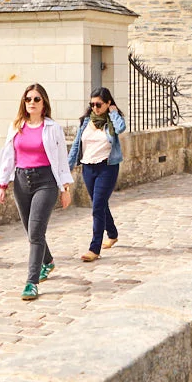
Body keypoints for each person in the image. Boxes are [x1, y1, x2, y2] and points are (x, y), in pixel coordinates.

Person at [0, 83, 73, 300]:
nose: (32, 103)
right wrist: (1, 184)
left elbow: (61, 160)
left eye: (36, 99)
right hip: (21, 181)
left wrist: (65, 188)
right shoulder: (17, 126)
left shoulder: (52, 128)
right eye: (28, 99)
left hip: (45, 181)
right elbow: (8, 156)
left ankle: (31, 282)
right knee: (31, 231)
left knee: (36, 231)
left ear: (44, 102)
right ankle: (48, 262)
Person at [66, 87, 126, 262]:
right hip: (88, 168)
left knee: (97, 206)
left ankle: (94, 248)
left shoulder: (112, 122)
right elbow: (77, 145)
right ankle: (113, 234)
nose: (95, 108)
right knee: (99, 204)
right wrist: (67, 169)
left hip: (107, 167)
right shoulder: (86, 121)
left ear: (108, 104)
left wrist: (113, 112)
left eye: (99, 104)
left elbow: (121, 128)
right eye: (92, 104)